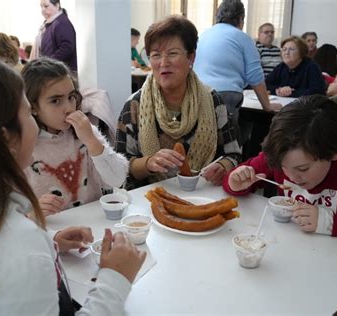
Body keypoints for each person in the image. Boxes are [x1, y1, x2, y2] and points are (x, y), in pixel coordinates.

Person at [0, 60, 146, 314]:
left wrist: (50, 241)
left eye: (71, 97)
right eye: (26, 111)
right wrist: (114, 281)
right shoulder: (19, 247)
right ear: (5, 137)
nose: (67, 108)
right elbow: (15, 257)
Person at [223, 95, 337, 240]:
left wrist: (330, 222)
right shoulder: (282, 153)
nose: (291, 177)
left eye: (303, 169)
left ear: (334, 152)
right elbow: (237, 178)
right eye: (284, 167)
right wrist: (235, 183)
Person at [115, 15, 242, 190]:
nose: (163, 63)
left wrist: (222, 167)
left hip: (203, 195)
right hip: (151, 200)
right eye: (156, 55)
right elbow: (119, 166)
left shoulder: (212, 100)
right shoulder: (134, 106)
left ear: (191, 58)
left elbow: (233, 154)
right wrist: (149, 163)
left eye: (172, 53)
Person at [22, 57, 128, 215]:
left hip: (93, 223)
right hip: (52, 231)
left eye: (71, 97)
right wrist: (33, 213)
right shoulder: (24, 145)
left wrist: (92, 141)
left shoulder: (84, 131)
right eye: (56, 101)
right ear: (33, 107)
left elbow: (118, 178)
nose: (69, 108)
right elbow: (8, 214)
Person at [194, 0, 281, 116]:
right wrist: (267, 105)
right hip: (226, 94)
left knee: (205, 131)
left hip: (198, 91)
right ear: (241, 18)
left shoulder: (204, 35)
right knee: (228, 132)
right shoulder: (242, 38)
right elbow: (255, 75)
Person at [32, 0, 77, 72]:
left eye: (46, 6)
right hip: (52, 69)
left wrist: (48, 63)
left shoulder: (61, 23)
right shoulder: (50, 23)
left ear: (57, 5)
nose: (43, 10)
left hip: (59, 72)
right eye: (41, 6)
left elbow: (67, 47)